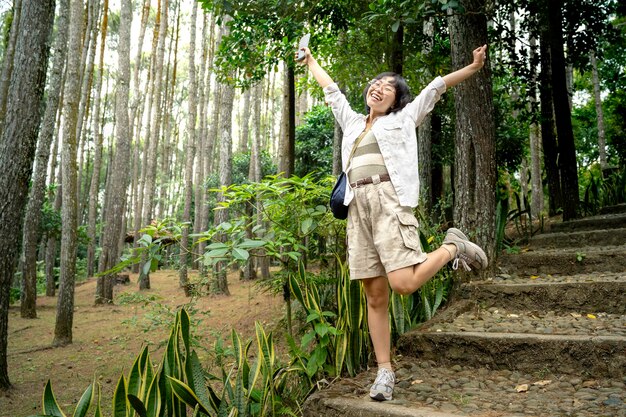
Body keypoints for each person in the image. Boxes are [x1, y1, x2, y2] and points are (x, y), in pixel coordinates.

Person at [296, 43, 489, 401]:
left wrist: (473, 68)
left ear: (397, 99)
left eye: (388, 85)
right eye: (375, 82)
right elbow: (330, 90)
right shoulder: (353, 123)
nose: (379, 87)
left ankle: (453, 246)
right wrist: (309, 61)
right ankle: (384, 371)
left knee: (402, 283)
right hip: (357, 209)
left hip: (389, 203)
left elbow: (437, 87)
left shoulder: (403, 119)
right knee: (375, 295)